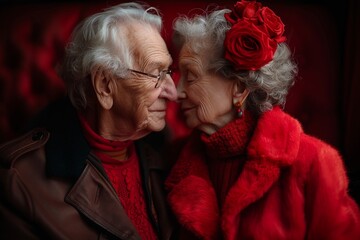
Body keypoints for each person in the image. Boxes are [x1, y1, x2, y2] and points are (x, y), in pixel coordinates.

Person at [165, 1, 360, 239]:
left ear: (238, 88)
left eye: (191, 77)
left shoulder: (315, 163)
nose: (177, 91)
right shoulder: (174, 161)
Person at [0, 2, 178, 239]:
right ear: (104, 85)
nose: (173, 92)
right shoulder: (18, 181)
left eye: (167, 72)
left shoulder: (170, 154)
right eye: (156, 74)